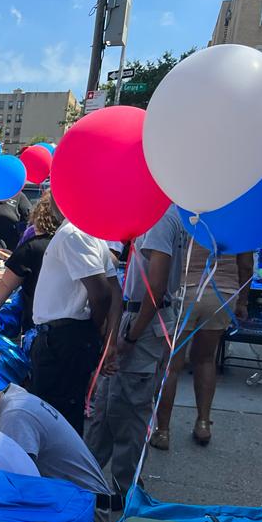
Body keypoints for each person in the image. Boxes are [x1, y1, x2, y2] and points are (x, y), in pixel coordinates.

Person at [84, 208, 186, 493]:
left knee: (129, 410)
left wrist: (131, 336)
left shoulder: (159, 219)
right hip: (138, 318)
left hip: (144, 324)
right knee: (106, 404)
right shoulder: (154, 218)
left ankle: (124, 488)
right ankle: (90, 478)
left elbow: (156, 286)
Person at [0, 345, 110, 495]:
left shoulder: (15, 417)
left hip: (87, 510)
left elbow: (16, 485)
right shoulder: (10, 398)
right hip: (71, 501)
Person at [151, 244, 254, 449]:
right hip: (223, 293)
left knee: (171, 365)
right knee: (206, 359)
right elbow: (246, 265)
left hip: (185, 290)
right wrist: (243, 301)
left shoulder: (184, 211)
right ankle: (203, 423)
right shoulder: (235, 213)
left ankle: (162, 431)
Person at [30, 220, 120, 434]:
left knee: (55, 421)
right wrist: (108, 340)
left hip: (63, 339)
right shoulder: (88, 231)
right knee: (65, 415)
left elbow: (105, 293)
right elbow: (114, 291)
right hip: (67, 337)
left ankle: (61, 467)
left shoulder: (74, 233)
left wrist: (97, 333)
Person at [0, 190, 64, 332]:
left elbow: (6, 284)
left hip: (41, 324)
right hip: (71, 323)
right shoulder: (69, 242)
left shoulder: (31, 247)